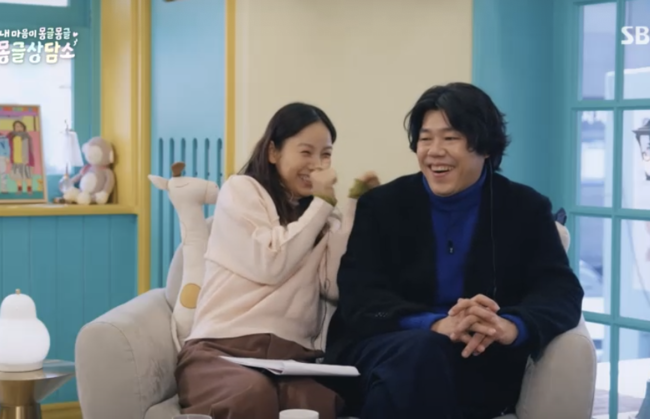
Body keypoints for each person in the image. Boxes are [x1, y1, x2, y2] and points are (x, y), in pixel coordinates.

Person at [324, 82, 584, 419]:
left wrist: (509, 325)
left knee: (427, 371)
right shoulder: (382, 205)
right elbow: (360, 294)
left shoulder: (525, 208)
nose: (434, 151)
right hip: (386, 349)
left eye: (450, 138)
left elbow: (560, 290)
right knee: (421, 354)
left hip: (476, 360)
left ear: (485, 146)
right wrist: (435, 324)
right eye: (425, 139)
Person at [175, 102, 380, 419]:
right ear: (273, 151)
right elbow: (270, 264)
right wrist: (323, 203)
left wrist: (354, 208)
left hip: (290, 361)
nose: (317, 164)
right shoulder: (241, 190)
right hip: (219, 351)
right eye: (306, 152)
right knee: (251, 394)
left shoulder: (322, 216)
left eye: (325, 154)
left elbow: (333, 286)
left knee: (323, 404)